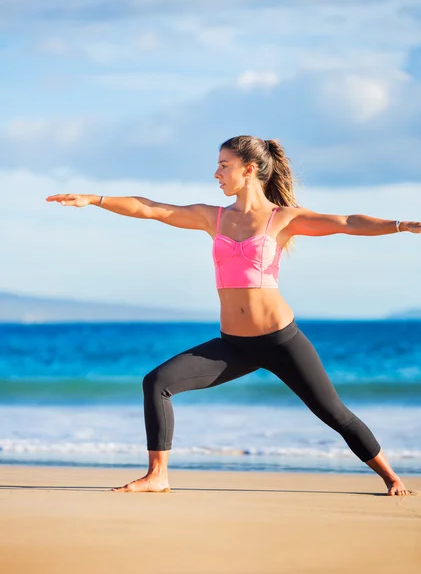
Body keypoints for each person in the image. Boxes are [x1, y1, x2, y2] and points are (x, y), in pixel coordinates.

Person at [46, 135, 420, 496]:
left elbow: (348, 222)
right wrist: (95, 199)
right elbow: (150, 208)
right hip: (233, 345)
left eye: (224, 165)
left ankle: (390, 476)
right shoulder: (214, 218)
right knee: (156, 382)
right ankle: (157, 475)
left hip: (280, 340)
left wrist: (401, 225)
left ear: (249, 169)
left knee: (333, 412)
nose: (217, 173)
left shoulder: (283, 219)